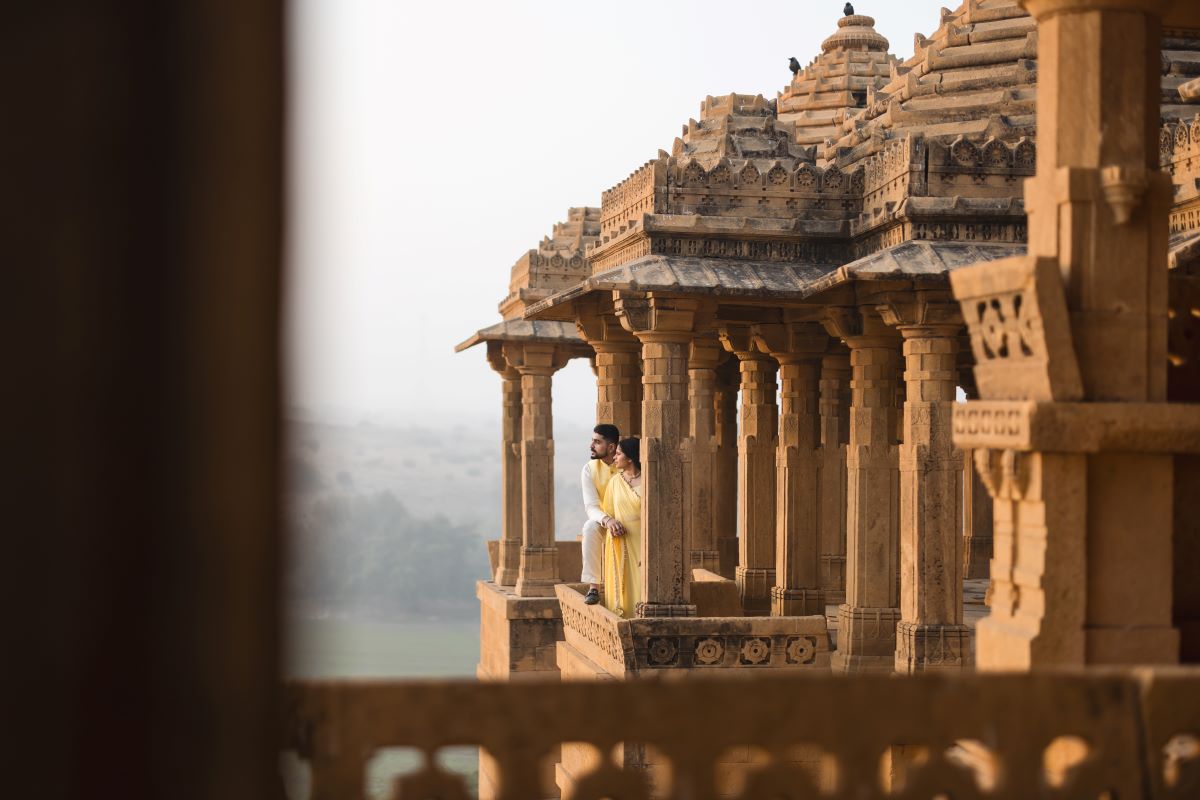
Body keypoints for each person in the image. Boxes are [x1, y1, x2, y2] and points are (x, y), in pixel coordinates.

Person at [581, 424, 622, 604]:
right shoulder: (589, 469)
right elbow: (591, 506)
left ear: (611, 447)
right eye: (592, 441)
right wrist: (607, 520)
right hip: (604, 520)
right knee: (589, 527)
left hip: (629, 518)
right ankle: (594, 587)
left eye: (597, 442)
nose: (591, 446)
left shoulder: (626, 463)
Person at [601, 438, 642, 618]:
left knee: (642, 582)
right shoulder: (615, 482)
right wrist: (612, 524)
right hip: (621, 542)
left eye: (618, 453)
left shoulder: (649, 479)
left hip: (643, 540)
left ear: (631, 458)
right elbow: (607, 512)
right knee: (624, 585)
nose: (614, 457)